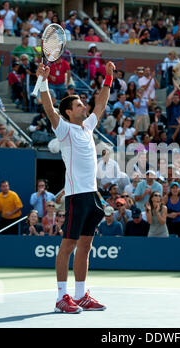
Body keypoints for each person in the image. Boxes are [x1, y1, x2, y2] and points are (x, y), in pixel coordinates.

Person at [36, 59, 115, 313]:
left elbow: (101, 103)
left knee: (86, 246)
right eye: (79, 104)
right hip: (76, 196)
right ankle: (61, 298)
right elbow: (49, 108)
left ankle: (81, 295)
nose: (84, 106)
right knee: (67, 246)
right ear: (69, 111)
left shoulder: (88, 127)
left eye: (83, 103)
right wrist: (44, 80)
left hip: (92, 196)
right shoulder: (64, 129)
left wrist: (108, 77)